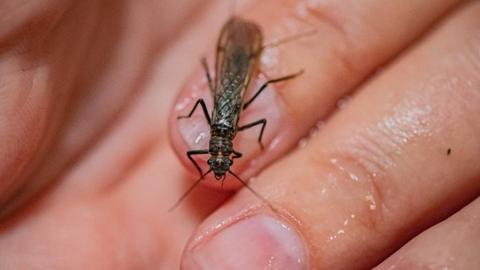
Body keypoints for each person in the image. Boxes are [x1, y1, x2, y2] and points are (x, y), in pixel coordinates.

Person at [0, 0, 479, 269]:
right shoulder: (221, 135)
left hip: (233, 68)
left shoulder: (214, 136)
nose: (218, 162)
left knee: (236, 85)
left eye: (219, 159)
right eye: (221, 159)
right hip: (232, 73)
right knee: (237, 89)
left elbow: (226, 102)